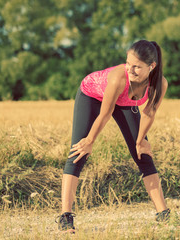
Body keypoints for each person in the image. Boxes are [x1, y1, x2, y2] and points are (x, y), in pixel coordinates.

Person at [56, 40, 170, 233]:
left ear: (151, 67)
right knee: (79, 150)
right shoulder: (119, 78)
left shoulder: (159, 83)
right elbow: (105, 113)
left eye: (136, 67)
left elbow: (149, 113)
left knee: (143, 155)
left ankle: (163, 214)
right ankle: (65, 217)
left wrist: (141, 140)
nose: (130, 69)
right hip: (92, 96)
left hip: (124, 101)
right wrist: (89, 141)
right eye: (128, 63)